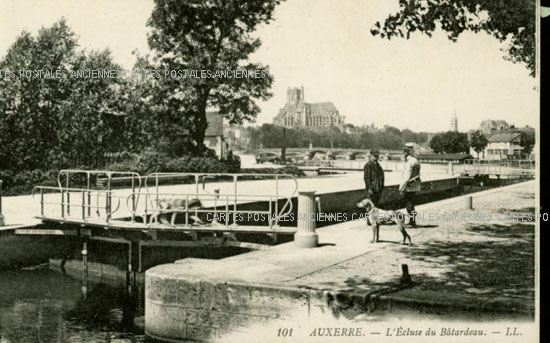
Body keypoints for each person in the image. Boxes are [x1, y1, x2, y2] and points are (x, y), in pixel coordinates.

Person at [363, 149, 385, 242]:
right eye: (375, 156)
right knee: (371, 206)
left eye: (377, 156)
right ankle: (370, 220)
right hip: (372, 189)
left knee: (375, 206)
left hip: (378, 189)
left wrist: (382, 187)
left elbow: (382, 177)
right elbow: (366, 178)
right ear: (370, 155)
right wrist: (369, 188)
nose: (376, 157)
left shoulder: (378, 165)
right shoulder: (368, 165)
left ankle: (374, 220)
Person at [399, 143, 421, 227]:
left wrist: (401, 188)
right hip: (415, 185)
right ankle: (413, 220)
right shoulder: (415, 160)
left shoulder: (409, 162)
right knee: (411, 203)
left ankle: (412, 221)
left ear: (406, 152)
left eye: (404, 152)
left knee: (409, 204)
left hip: (409, 186)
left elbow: (406, 177)